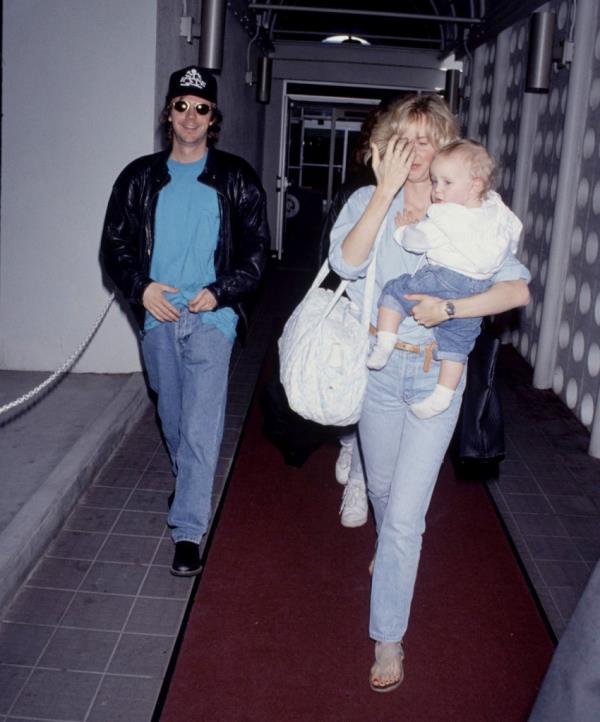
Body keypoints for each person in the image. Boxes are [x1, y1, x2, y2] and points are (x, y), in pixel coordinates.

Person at [328, 93, 530, 692]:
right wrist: (384, 195)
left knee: (406, 519)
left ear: (444, 145)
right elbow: (346, 263)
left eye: (427, 139)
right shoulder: (369, 200)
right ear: (387, 142)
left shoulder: (475, 210)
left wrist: (452, 306)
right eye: (404, 138)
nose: (415, 152)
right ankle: (390, 549)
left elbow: (515, 290)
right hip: (378, 373)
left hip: (437, 374)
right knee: (387, 492)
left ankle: (388, 636)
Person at [101, 66, 269, 576]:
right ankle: (188, 479)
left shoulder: (235, 176)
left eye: (201, 108)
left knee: (201, 425)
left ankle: (189, 529)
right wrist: (143, 288)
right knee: (171, 414)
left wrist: (220, 291)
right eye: (181, 105)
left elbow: (259, 251)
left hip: (212, 318)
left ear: (213, 118)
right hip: (158, 317)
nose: (190, 116)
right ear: (168, 113)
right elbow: (116, 246)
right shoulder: (139, 177)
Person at [367, 139, 523, 420]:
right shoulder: (495, 210)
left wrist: (403, 230)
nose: (437, 190)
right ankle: (442, 396)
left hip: (442, 279)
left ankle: (384, 344)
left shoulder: (447, 215)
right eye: (435, 181)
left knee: (394, 292)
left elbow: (419, 241)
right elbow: (513, 233)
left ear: (474, 185)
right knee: (458, 343)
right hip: (478, 288)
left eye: (446, 183)